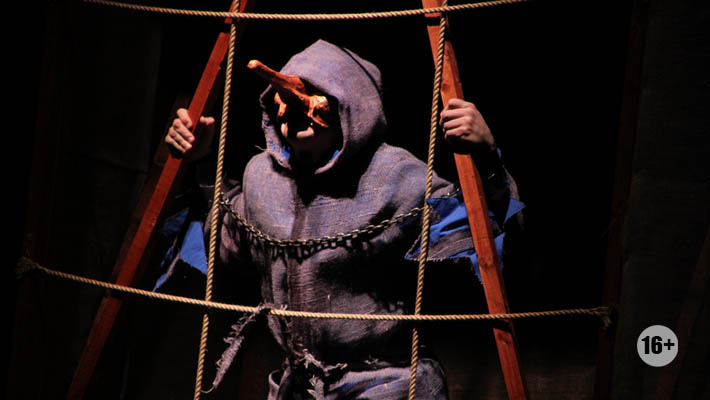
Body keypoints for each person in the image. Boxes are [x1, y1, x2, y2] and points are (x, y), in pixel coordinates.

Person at [165, 40, 518, 399]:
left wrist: (487, 156)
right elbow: (222, 243)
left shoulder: (396, 176)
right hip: (300, 386)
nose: (293, 107)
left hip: (387, 383)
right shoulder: (261, 178)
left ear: (351, 106)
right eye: (283, 97)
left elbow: (488, 242)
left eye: (311, 95)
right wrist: (200, 162)